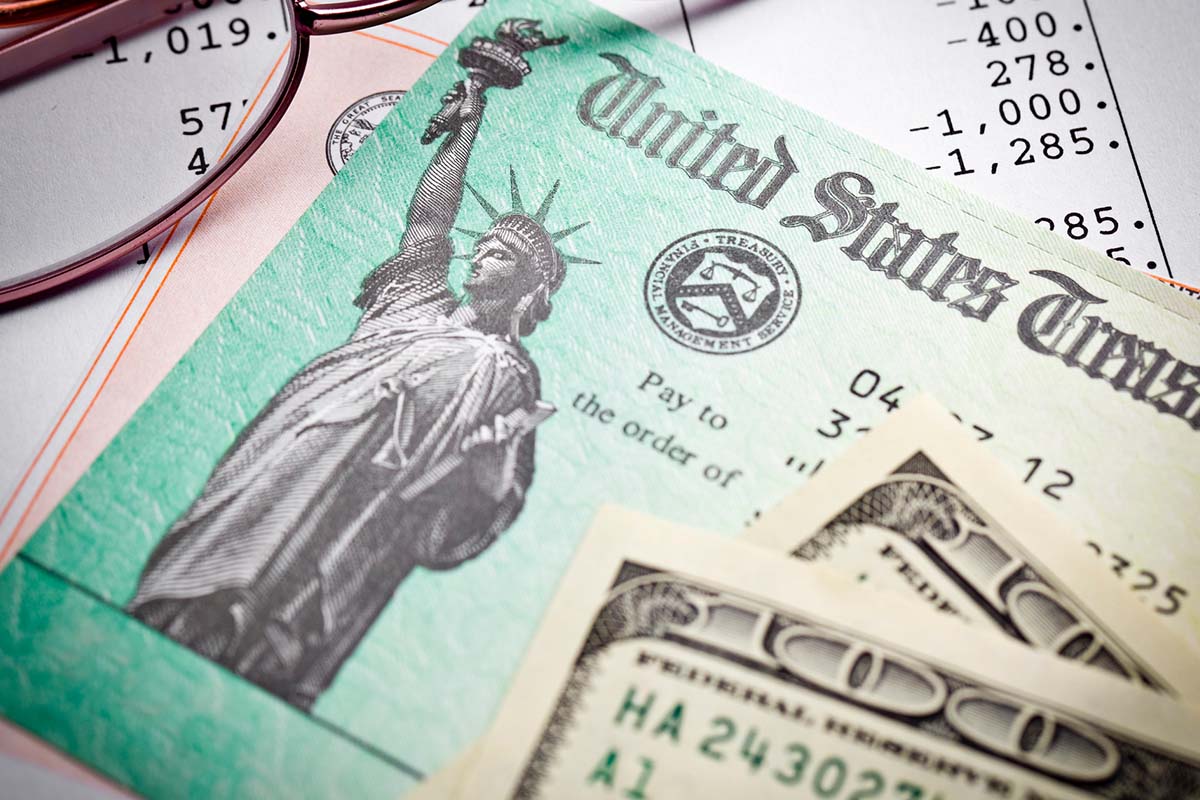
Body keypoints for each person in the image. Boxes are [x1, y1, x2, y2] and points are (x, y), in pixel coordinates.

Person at [126, 20, 581, 711]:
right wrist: (466, 127)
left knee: (272, 635)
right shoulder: (416, 300)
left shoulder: (513, 376)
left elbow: (489, 495)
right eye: (484, 244)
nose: (483, 254)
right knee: (213, 576)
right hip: (292, 457)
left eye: (503, 255)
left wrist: (485, 469)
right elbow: (430, 222)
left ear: (530, 287)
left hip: (359, 517)